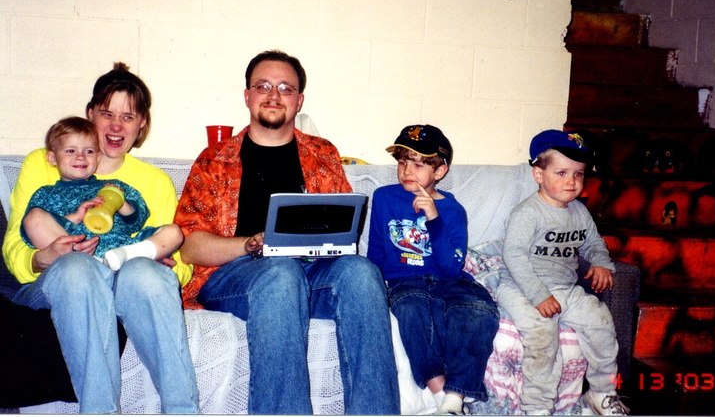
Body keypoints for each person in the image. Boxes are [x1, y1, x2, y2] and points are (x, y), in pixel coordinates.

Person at [174, 49, 400, 415]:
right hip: (234, 276)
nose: (274, 95)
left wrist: (323, 246)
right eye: (263, 86)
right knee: (280, 273)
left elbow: (345, 233)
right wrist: (248, 245)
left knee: (361, 271)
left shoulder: (323, 154)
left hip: (311, 271)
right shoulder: (214, 159)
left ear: (298, 101)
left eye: (285, 88)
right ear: (247, 96)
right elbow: (190, 246)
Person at [2, 62, 199, 414]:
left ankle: (182, 409)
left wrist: (165, 262)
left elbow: (181, 268)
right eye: (107, 113)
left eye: (128, 116)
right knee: (79, 268)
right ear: (90, 114)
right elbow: (17, 243)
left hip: (124, 268)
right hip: (60, 277)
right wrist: (43, 256)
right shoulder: (44, 162)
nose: (115, 125)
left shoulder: (152, 181)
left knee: (148, 273)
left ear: (142, 125)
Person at [367, 124, 499, 415]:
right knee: (411, 310)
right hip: (406, 281)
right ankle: (444, 397)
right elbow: (376, 250)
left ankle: (456, 395)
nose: (406, 170)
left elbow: (451, 268)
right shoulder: (384, 197)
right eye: (402, 162)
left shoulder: (453, 210)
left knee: (478, 311)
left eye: (418, 164)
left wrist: (433, 218)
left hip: (450, 281)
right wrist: (374, 289)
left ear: (439, 171)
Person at [496, 130, 629, 416]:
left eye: (579, 174)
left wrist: (601, 262)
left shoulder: (579, 212)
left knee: (601, 322)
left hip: (565, 289)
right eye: (561, 172)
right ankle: (537, 408)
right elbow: (514, 256)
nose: (571, 181)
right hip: (522, 286)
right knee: (543, 335)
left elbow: (594, 243)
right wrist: (538, 295)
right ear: (538, 175)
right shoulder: (528, 212)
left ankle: (601, 393)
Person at [22, 116, 184, 271]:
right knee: (33, 217)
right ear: (52, 158)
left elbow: (138, 220)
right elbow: (29, 234)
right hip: (79, 252)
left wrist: (121, 203)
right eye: (71, 151)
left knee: (174, 232)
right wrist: (75, 217)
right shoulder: (47, 193)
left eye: (89, 151)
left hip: (123, 249)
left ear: (98, 157)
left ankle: (131, 257)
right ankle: (90, 264)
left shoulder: (114, 186)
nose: (80, 157)